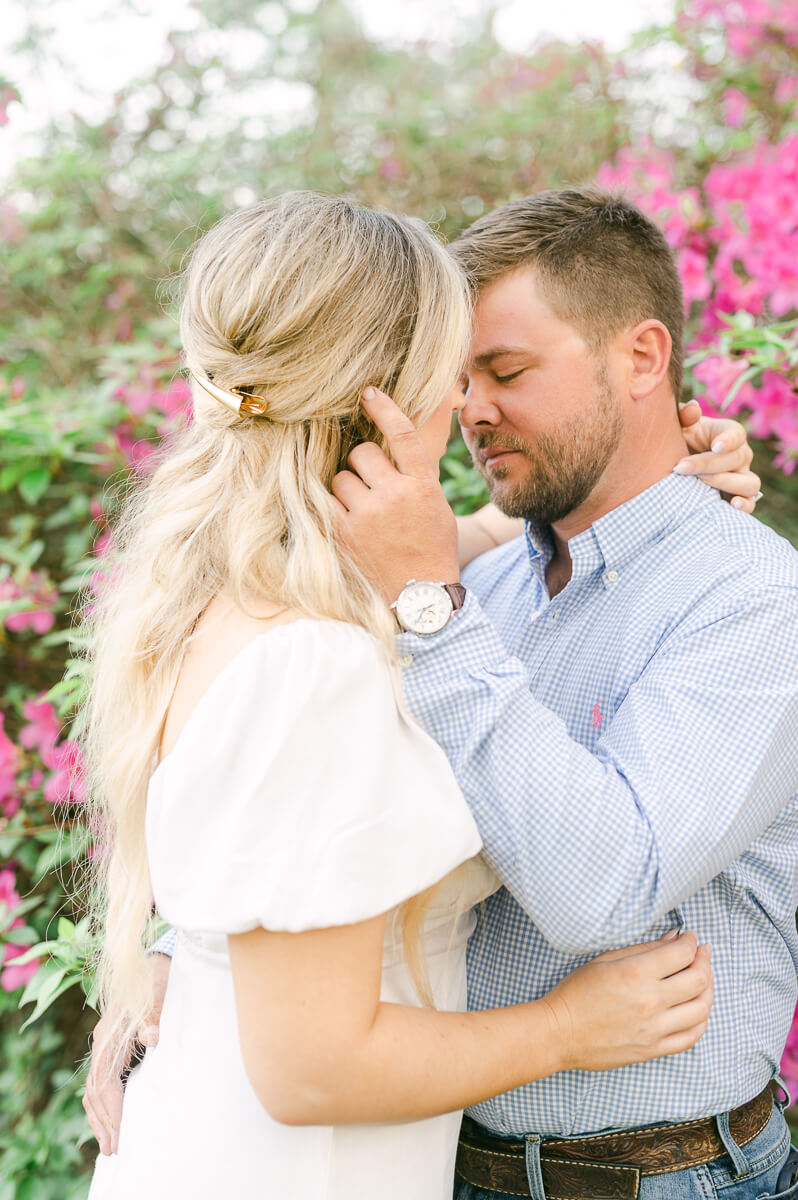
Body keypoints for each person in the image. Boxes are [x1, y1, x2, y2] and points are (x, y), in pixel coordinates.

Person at [79, 193, 716, 1200]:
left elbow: (483, 537)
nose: (466, 407)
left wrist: (672, 479)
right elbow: (312, 1068)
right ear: (390, 397)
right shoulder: (315, 663)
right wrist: (571, 1028)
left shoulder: (237, 578)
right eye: (457, 371)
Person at [322, 187, 798, 1200]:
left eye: (505, 370)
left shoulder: (753, 600)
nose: (472, 410)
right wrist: (173, 951)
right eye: (459, 382)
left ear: (641, 359)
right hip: (441, 1167)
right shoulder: (477, 589)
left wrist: (431, 609)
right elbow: (324, 800)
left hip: (673, 1178)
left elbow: (601, 891)